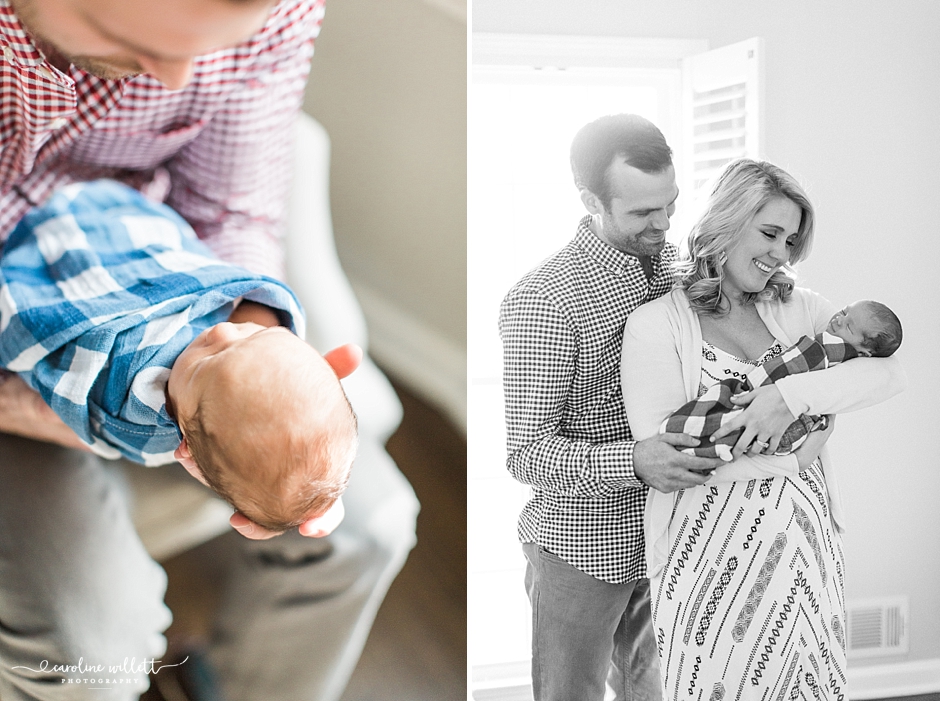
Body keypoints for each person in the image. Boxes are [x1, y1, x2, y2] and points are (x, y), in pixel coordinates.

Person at [0, 0, 418, 699]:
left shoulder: (273, 10)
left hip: (155, 264)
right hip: (28, 338)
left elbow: (236, 207)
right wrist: (77, 414)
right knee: (85, 652)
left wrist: (264, 351)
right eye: (131, 41)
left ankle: (224, 684)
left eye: (211, 46)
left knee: (372, 526)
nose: (177, 76)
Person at [621, 159, 906, 699]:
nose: (781, 253)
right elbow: (672, 456)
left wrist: (787, 397)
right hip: (709, 557)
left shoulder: (802, 309)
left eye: (791, 241)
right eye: (770, 232)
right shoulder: (656, 324)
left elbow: (889, 372)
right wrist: (794, 459)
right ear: (725, 222)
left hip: (807, 547)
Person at [499, 114, 724, 701]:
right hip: (581, 546)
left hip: (671, 537)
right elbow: (525, 453)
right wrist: (636, 461)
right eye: (643, 213)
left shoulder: (683, 273)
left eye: (670, 205)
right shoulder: (543, 300)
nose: (664, 224)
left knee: (653, 694)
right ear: (590, 201)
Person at [0, 179, 358, 533]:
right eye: (253, 335)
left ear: (185, 447)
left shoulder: (132, 411)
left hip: (46, 275)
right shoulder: (226, 375)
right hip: (112, 227)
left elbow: (75, 394)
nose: (221, 330)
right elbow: (246, 291)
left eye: (211, 357)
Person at [664, 299, 903, 460]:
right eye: (843, 312)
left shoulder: (838, 350)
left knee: (735, 432)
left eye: (849, 326)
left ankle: (691, 445)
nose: (839, 320)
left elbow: (893, 374)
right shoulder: (669, 315)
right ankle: (682, 436)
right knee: (720, 411)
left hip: (788, 459)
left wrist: (788, 398)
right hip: (748, 391)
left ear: (865, 353)